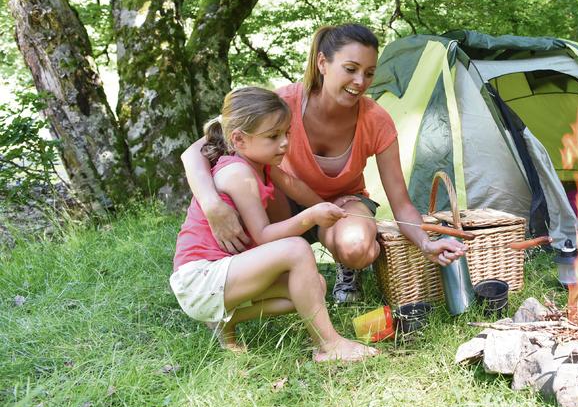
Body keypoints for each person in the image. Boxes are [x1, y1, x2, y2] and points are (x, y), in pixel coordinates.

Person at [181, 24, 466, 303]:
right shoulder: (283, 103)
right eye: (351, 69)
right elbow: (196, 151)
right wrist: (212, 205)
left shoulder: (376, 121)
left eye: (369, 73)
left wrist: (426, 243)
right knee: (250, 187)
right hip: (283, 201)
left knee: (357, 248)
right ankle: (265, 277)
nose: (360, 82)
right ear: (323, 63)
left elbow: (402, 204)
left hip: (342, 204)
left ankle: (350, 265)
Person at [170, 86, 377, 361]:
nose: (284, 143)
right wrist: (310, 217)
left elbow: (293, 185)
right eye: (273, 136)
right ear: (239, 140)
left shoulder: (258, 163)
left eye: (286, 133)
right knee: (296, 249)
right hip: (200, 280)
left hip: (221, 276)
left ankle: (226, 321)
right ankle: (329, 345)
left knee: (312, 286)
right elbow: (265, 235)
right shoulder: (238, 173)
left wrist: (325, 205)